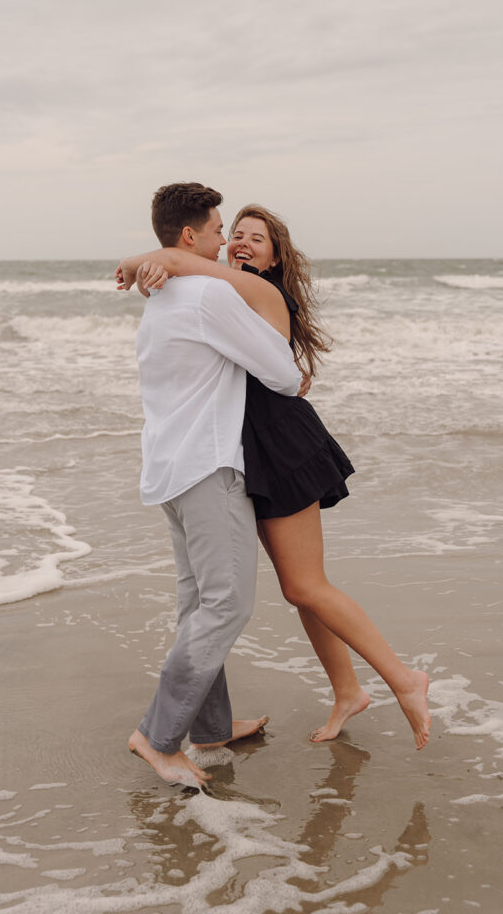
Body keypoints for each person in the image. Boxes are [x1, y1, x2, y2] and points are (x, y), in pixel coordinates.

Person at [117, 205, 431, 751]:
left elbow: (185, 265)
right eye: (233, 234)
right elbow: (185, 283)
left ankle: (405, 680)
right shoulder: (227, 289)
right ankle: (347, 690)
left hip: (282, 446)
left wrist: (159, 261)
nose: (240, 243)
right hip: (251, 448)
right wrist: (158, 271)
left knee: (305, 585)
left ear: (276, 254)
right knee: (299, 589)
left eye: (255, 239)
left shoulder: (260, 293)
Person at [121, 184, 302, 787]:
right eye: (219, 229)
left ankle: (211, 727)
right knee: (227, 604)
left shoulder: (163, 295)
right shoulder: (206, 294)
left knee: (199, 604)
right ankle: (158, 735)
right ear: (191, 237)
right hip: (208, 469)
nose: (227, 240)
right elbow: (281, 372)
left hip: (168, 471)